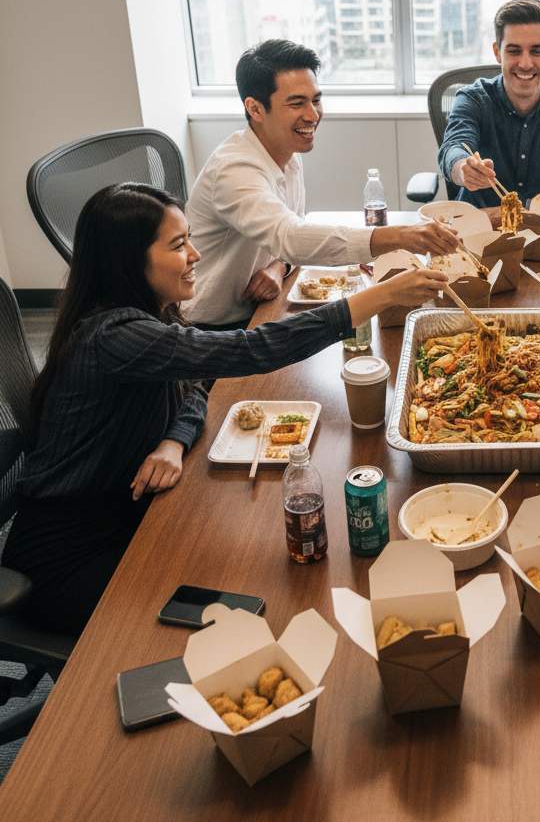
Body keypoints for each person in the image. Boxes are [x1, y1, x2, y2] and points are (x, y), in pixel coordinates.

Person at [1, 183, 446, 636]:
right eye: (179, 245)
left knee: (244, 592)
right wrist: (375, 298)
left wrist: (174, 441)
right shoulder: (116, 338)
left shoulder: (150, 315)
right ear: (128, 261)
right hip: (64, 557)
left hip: (129, 515)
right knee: (228, 616)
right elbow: (249, 350)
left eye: (191, 239)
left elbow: (195, 385)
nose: (195, 255)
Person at [185, 38, 458, 329]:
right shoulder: (233, 169)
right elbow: (289, 237)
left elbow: (291, 235)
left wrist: (279, 267)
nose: (313, 115)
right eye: (296, 103)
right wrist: (402, 236)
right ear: (255, 109)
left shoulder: (287, 152)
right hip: (211, 328)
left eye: (316, 99)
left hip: (259, 309)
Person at [437, 0, 540, 213]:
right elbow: (453, 148)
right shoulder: (472, 99)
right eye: (514, 51)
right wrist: (462, 168)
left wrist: (527, 211)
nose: (525, 64)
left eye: (537, 51)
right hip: (479, 224)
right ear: (498, 52)